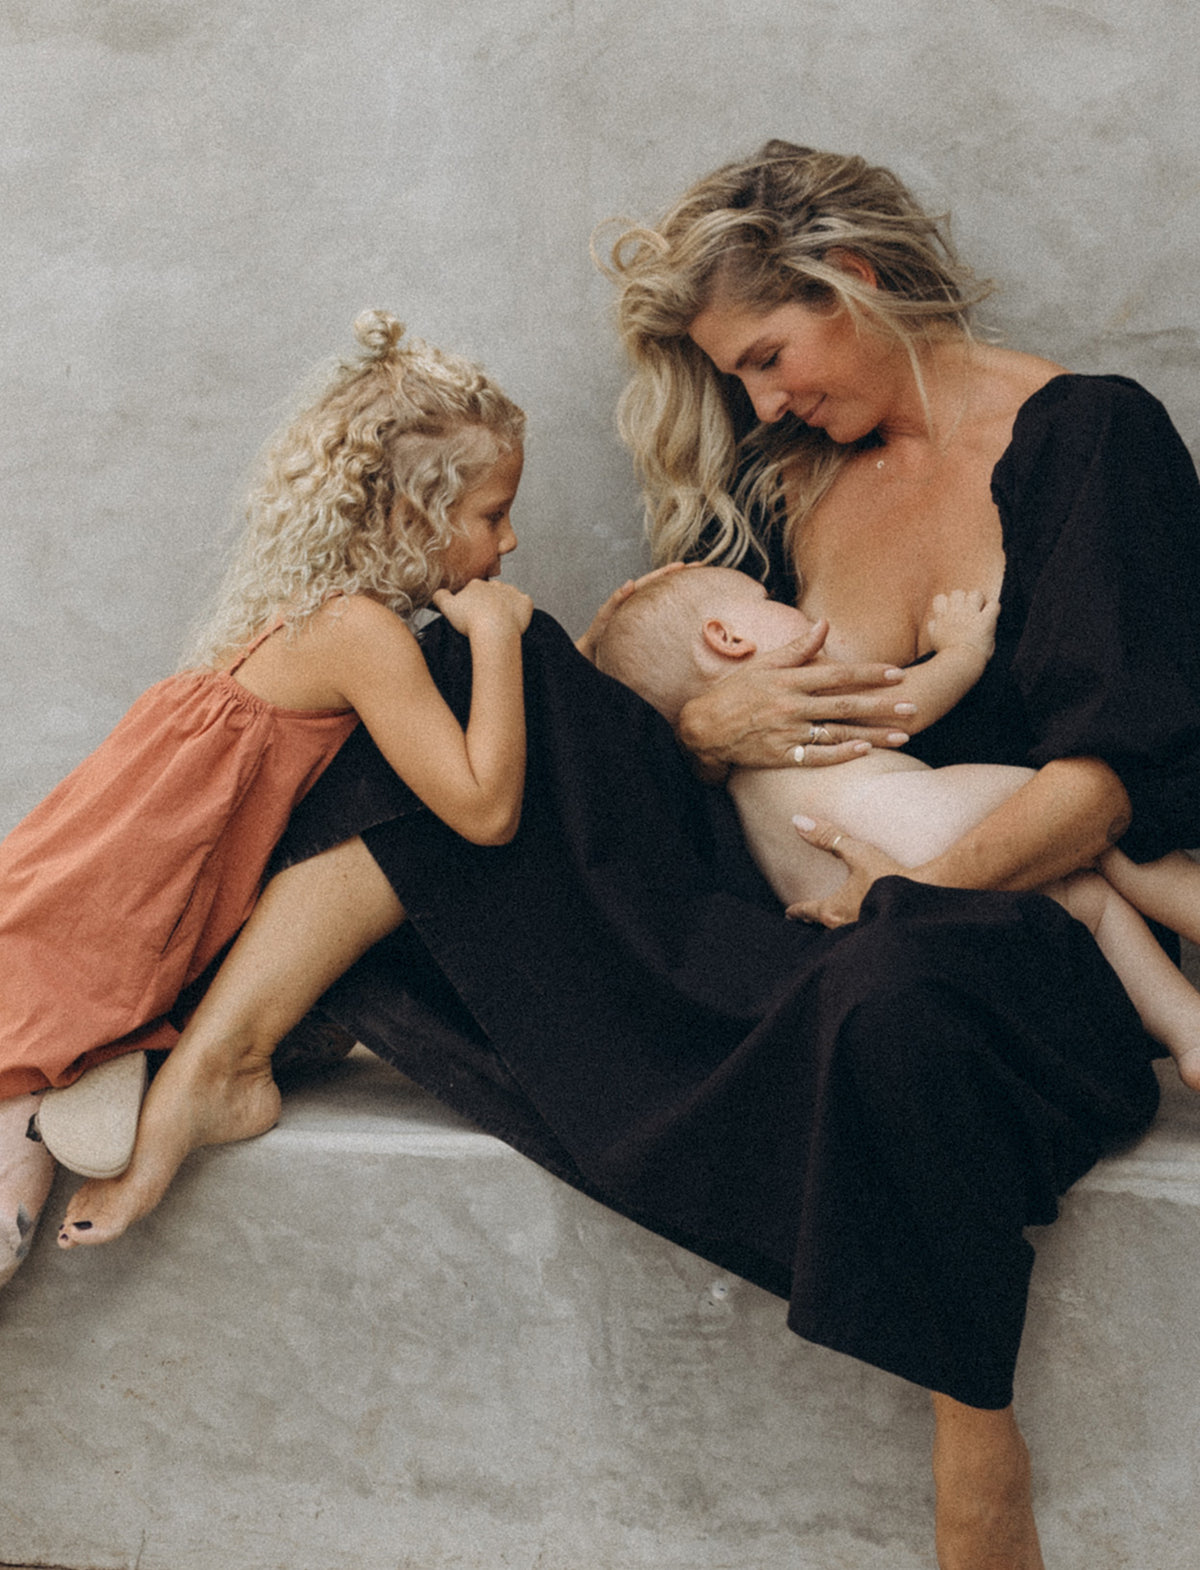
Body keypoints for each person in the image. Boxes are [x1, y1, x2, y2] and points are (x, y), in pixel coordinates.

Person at [46, 143, 1198, 1570]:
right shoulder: (795, 476)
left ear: (865, 280)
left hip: (1001, 934)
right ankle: (214, 1063)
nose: (765, 403)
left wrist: (892, 888)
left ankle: (975, 1435)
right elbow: (701, 715)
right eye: (742, 379)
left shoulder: (1092, 439)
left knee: (896, 990)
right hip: (782, 903)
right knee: (472, 660)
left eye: (772, 356)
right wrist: (713, 723)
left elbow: (1107, 779)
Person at [0, 309, 532, 1289]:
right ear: (416, 516)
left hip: (101, 870)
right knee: (30, 1057)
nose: (509, 539)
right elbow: (482, 808)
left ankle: (63, 1106)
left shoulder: (308, 610)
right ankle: (38, 1127)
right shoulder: (364, 633)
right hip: (117, 896)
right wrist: (500, 637)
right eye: (492, 513)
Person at [594, 562, 1200, 1085]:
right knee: (1093, 815)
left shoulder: (724, 764)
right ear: (726, 638)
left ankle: (1191, 1036)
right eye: (767, 601)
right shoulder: (792, 697)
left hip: (867, 912)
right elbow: (905, 706)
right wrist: (964, 647)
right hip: (916, 821)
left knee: (1086, 902)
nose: (790, 606)